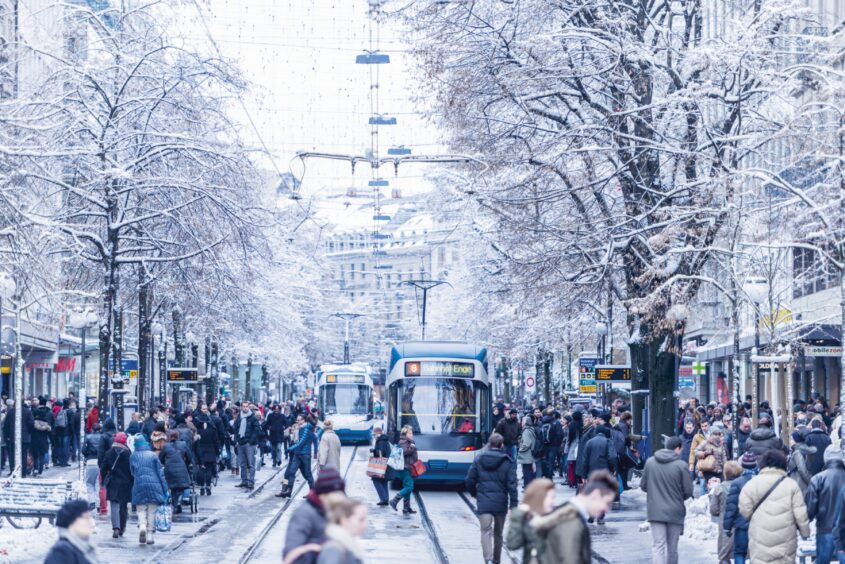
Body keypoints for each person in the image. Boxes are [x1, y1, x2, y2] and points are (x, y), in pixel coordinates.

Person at [530, 470, 618, 564]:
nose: (607, 509)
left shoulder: (568, 514)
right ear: (595, 494)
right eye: (606, 502)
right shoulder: (572, 522)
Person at [738, 448, 810, 564]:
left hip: (760, 537)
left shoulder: (752, 484)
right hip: (785, 538)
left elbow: (745, 510)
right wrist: (805, 532)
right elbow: (800, 513)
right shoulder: (791, 484)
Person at [465, 433, 518, 564]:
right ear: (501, 445)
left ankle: (487, 560)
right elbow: (512, 485)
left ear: (489, 444)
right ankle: (496, 560)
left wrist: (474, 493)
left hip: (484, 500)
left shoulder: (479, 459)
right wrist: (513, 505)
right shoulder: (507, 461)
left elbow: (470, 480)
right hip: (501, 502)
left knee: (485, 531)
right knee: (498, 533)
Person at [640, 435, 693, 564]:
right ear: (677, 448)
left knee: (658, 545)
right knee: (672, 548)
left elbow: (643, 486)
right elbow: (688, 491)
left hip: (655, 511)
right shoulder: (681, 465)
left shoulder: (650, 462)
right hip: (675, 511)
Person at [282, 466, 347, 564]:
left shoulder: (335, 510)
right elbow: (291, 553)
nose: (339, 500)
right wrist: (321, 551)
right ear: (323, 494)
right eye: (335, 496)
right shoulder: (304, 514)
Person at [804, 443, 845, 564]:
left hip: (824, 529)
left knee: (822, 561)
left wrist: (804, 525)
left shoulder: (817, 479)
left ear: (825, 458)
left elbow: (810, 509)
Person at [129, 434, 168, 545]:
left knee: (141, 509)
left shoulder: (133, 456)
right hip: (154, 485)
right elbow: (161, 474)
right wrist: (165, 489)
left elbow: (132, 472)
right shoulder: (153, 455)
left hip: (139, 485)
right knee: (152, 511)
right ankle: (150, 535)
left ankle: (142, 526)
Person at [506, 478, 554, 564]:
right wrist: (517, 517)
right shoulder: (528, 520)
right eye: (549, 497)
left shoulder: (558, 517)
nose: (552, 501)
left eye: (553, 497)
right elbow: (512, 544)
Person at [723, 452, 759, 564]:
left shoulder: (736, 483)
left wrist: (727, 527)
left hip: (742, 523)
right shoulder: (763, 481)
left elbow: (731, 506)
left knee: (740, 553)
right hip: (760, 525)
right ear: (756, 465)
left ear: (742, 466)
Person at [100, 431, 133, 538]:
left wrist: (105, 478)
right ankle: (122, 528)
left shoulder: (109, 452)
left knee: (114, 505)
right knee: (123, 506)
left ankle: (115, 528)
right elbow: (131, 470)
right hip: (125, 483)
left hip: (113, 482)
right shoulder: (128, 453)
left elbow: (103, 468)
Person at [315, 497, 368, 564]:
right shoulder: (334, 549)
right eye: (361, 520)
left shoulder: (346, 542)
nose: (365, 525)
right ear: (344, 520)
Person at [709, 460, 742, 564]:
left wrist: (720, 512)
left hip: (725, 525)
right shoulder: (744, 486)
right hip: (741, 523)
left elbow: (713, 509)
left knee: (724, 553)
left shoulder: (719, 488)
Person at [44, 499, 97, 564]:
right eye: (86, 518)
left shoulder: (80, 546)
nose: (90, 522)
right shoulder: (62, 552)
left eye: (90, 517)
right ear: (72, 522)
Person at [280, 413, 316, 498]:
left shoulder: (306, 430)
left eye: (299, 420)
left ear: (303, 421)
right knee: (289, 473)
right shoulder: (297, 429)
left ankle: (313, 492)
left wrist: (290, 449)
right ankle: (286, 490)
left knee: (307, 474)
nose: (297, 421)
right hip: (295, 455)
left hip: (303, 455)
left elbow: (302, 442)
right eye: (297, 420)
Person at [159, 430, 192, 514]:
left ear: (169, 437)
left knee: (172, 487)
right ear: (178, 436)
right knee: (181, 487)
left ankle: (175, 504)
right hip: (181, 468)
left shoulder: (165, 446)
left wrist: (165, 464)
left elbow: (160, 458)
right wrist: (186, 464)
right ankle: (179, 501)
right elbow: (189, 458)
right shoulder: (183, 445)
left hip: (169, 469)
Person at [389, 425, 418, 514]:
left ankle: (406, 508)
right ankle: (394, 501)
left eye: (411, 432)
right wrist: (412, 447)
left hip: (409, 467)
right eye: (410, 433)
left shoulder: (408, 441)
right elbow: (404, 452)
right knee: (409, 487)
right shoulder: (403, 442)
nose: (412, 434)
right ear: (405, 434)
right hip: (405, 468)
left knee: (407, 487)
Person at [234, 401, 261, 490]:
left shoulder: (252, 417)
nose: (245, 408)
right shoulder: (239, 417)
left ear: (248, 407)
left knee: (251, 464)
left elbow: (257, 430)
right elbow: (236, 429)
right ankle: (244, 481)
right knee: (242, 463)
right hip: (240, 443)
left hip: (249, 444)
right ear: (241, 407)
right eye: (243, 406)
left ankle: (251, 482)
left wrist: (250, 441)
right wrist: (237, 440)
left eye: (246, 406)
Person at [193, 407, 220, 496]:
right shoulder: (212, 429)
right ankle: (208, 487)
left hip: (200, 450)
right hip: (210, 450)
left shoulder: (197, 429)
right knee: (209, 469)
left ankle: (201, 487)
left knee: (201, 469)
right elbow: (216, 441)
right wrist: (217, 452)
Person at [694, 428, 726, 495]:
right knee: (710, 491)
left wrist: (725, 469)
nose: (717, 436)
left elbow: (724, 458)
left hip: (719, 471)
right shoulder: (705, 443)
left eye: (719, 434)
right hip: (708, 471)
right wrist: (705, 453)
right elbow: (695, 452)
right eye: (715, 434)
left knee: (720, 490)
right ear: (711, 435)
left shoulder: (721, 444)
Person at [368, 426, 392, 506]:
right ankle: (386, 499)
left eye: (374, 435)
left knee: (375, 480)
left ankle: (383, 498)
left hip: (381, 465)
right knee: (383, 481)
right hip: (386, 464)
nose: (374, 436)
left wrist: (374, 451)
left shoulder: (381, 441)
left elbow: (381, 452)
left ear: (378, 434)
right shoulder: (384, 440)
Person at [787, 430, 814, 496]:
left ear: (796, 440)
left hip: (800, 483)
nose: (789, 441)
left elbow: (802, 470)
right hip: (803, 484)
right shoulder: (805, 449)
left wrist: (810, 482)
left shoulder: (797, 452)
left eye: (791, 439)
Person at [31, 396, 53, 476]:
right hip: (43, 442)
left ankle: (35, 469)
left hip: (34, 441)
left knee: (35, 456)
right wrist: (52, 441)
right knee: (42, 456)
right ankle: (40, 470)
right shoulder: (47, 424)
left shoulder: (33, 423)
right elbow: (50, 432)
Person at [518, 416, 538, 488]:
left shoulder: (526, 431)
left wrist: (521, 449)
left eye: (523, 421)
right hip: (529, 453)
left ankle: (528, 487)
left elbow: (527, 443)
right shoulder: (530, 429)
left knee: (527, 471)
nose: (521, 422)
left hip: (526, 454)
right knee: (529, 470)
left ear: (526, 422)